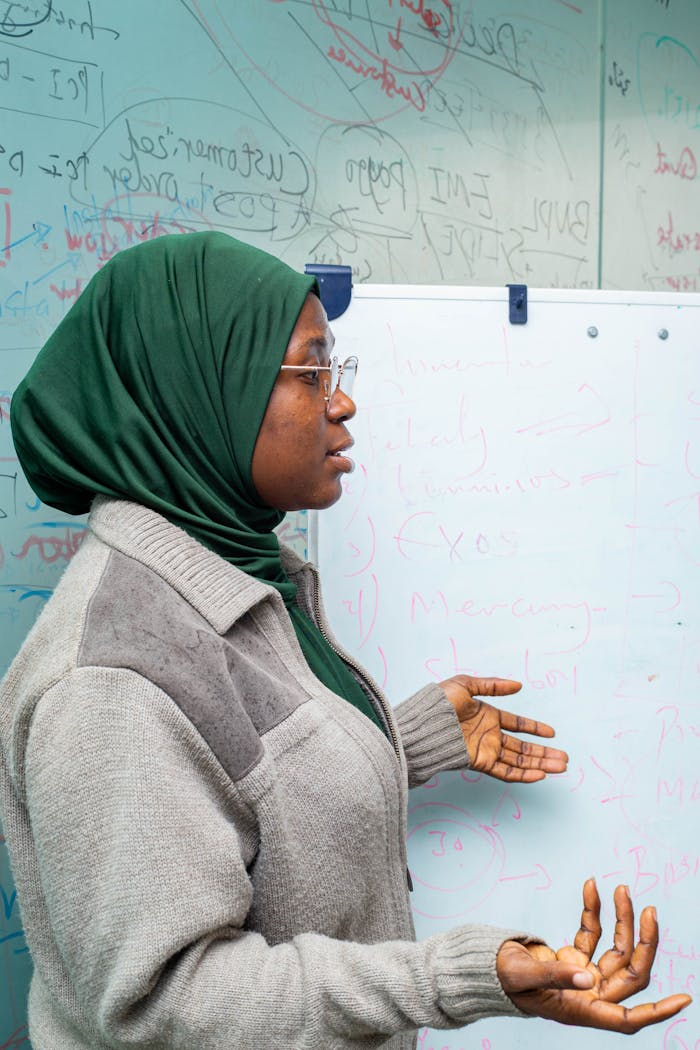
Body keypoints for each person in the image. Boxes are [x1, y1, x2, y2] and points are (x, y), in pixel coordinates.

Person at [0, 231, 690, 1049]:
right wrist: (456, 978)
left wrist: (406, 741)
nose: (341, 400)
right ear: (201, 387)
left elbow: (242, 784)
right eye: (309, 370)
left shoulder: (231, 572)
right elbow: (161, 1005)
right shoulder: (112, 678)